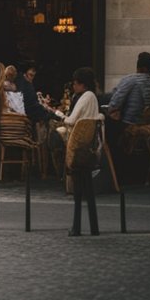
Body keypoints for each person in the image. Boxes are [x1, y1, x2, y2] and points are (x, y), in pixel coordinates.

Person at [56, 67, 103, 237]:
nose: (73, 87)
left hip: (77, 150)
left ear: (82, 84)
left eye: (75, 84)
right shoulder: (94, 98)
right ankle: (93, 227)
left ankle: (76, 227)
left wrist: (58, 115)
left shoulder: (84, 97)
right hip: (88, 151)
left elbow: (71, 120)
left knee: (56, 138)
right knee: (87, 189)